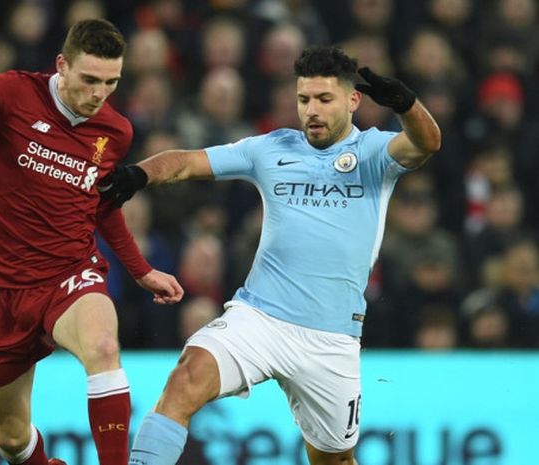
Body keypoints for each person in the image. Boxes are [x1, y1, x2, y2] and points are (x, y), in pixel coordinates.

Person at [102, 45, 441, 465]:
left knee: (333, 460)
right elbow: (187, 162)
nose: (311, 111)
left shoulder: (375, 153)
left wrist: (406, 104)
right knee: (184, 380)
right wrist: (139, 174)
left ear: (353, 100)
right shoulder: (271, 149)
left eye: (324, 99)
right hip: (258, 318)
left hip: (330, 338)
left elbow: (428, 143)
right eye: (304, 100)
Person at [0, 19, 184, 465]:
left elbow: (103, 205)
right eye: (89, 80)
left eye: (111, 83)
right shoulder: (10, 94)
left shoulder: (117, 131)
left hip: (69, 273)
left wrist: (140, 270)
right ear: (62, 65)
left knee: (104, 348)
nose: (98, 94)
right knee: (10, 439)